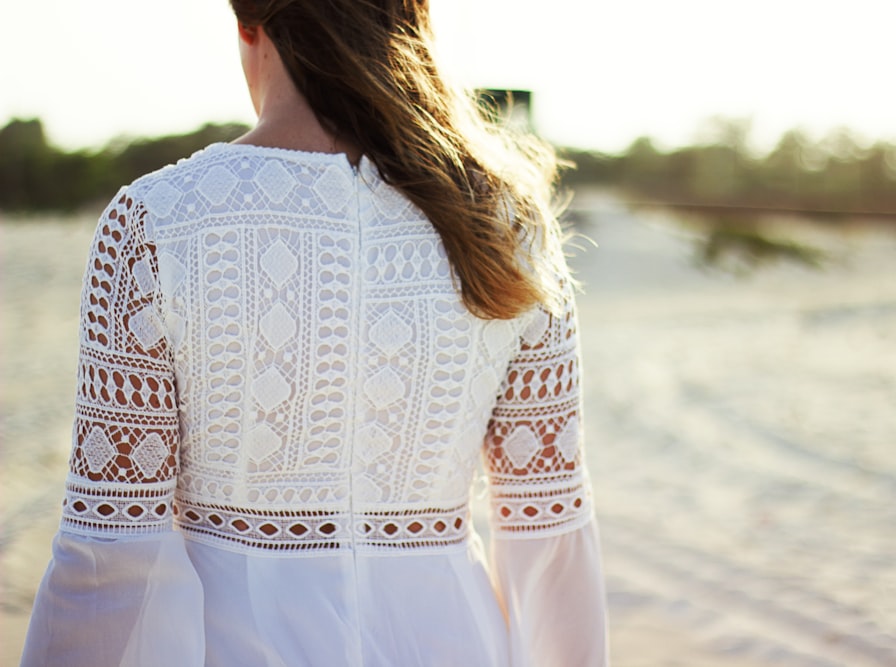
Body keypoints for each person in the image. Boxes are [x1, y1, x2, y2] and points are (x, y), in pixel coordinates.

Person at [20, 1, 608, 665]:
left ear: (249, 26)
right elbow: (548, 534)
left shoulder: (155, 223)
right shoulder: (510, 226)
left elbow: (115, 558)